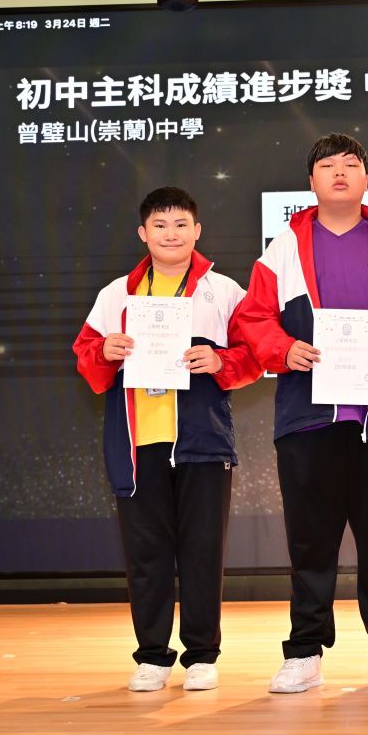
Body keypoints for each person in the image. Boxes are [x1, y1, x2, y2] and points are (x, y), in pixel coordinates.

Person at [236, 133, 368, 694]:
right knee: (310, 540)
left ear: (365, 179)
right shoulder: (284, 245)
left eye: (350, 165)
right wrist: (283, 350)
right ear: (311, 181)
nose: (338, 173)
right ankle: (304, 651)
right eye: (327, 165)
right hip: (309, 418)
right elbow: (253, 319)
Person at [72, 187, 261, 693]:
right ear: (143, 233)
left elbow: (254, 357)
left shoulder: (224, 291)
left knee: (203, 551)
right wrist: (105, 351)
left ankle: (202, 656)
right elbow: (87, 359)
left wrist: (220, 360)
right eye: (160, 225)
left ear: (197, 230)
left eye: (180, 224)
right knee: (147, 553)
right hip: (138, 445)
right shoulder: (116, 295)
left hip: (203, 442)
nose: (171, 234)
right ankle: (153, 656)